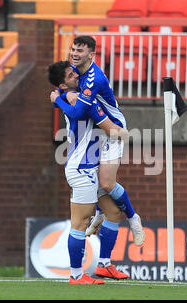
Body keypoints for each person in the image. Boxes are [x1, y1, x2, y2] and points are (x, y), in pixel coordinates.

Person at [48, 60, 130, 285]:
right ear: (63, 85)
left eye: (74, 71)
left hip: (90, 168)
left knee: (113, 213)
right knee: (80, 222)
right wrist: (62, 98)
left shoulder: (76, 95)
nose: (75, 74)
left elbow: (72, 96)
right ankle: (75, 275)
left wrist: (59, 97)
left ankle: (104, 265)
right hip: (80, 169)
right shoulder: (76, 102)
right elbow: (77, 111)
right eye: (70, 75)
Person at [63, 35, 145, 246]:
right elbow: (62, 90)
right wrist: (63, 96)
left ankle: (133, 218)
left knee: (107, 183)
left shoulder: (93, 78)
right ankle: (99, 213)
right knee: (95, 178)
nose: (74, 54)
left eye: (80, 51)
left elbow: (80, 110)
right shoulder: (75, 73)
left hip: (112, 128)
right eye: (73, 49)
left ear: (92, 55)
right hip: (96, 130)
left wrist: (65, 97)